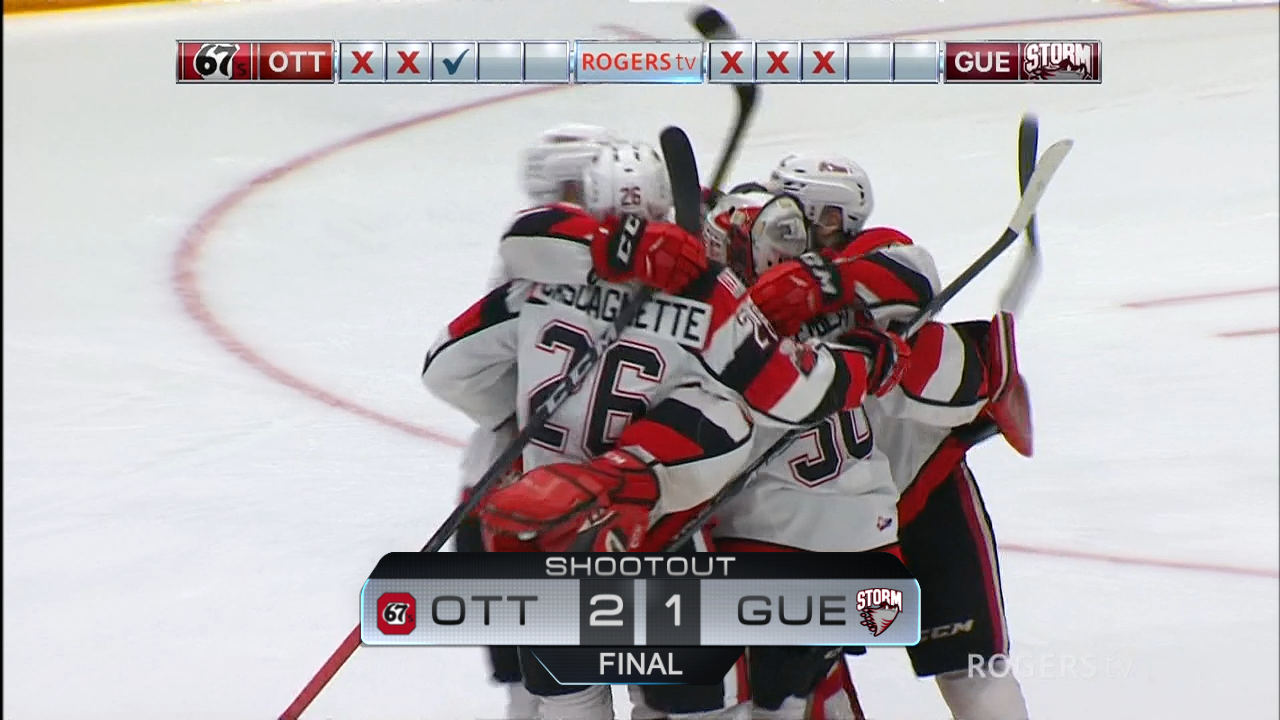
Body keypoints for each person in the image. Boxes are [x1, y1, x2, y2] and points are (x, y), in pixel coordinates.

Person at [421, 140, 912, 720]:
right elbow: (795, 396)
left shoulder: (533, 285)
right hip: (668, 548)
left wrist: (521, 412)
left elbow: (446, 369)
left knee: (566, 702)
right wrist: (869, 358)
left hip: (547, 535)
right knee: (691, 709)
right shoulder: (708, 292)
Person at [737, 153, 1032, 719]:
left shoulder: (873, 255)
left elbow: (913, 273)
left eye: (797, 206)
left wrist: (823, 282)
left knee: (971, 664)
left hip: (924, 481)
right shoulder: (751, 270)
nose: (780, 218)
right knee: (805, 681)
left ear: (834, 218)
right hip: (826, 513)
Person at [451, 123, 623, 720]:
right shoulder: (540, 255)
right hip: (524, 496)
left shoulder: (546, 251)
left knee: (554, 678)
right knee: (540, 678)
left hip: (521, 494)